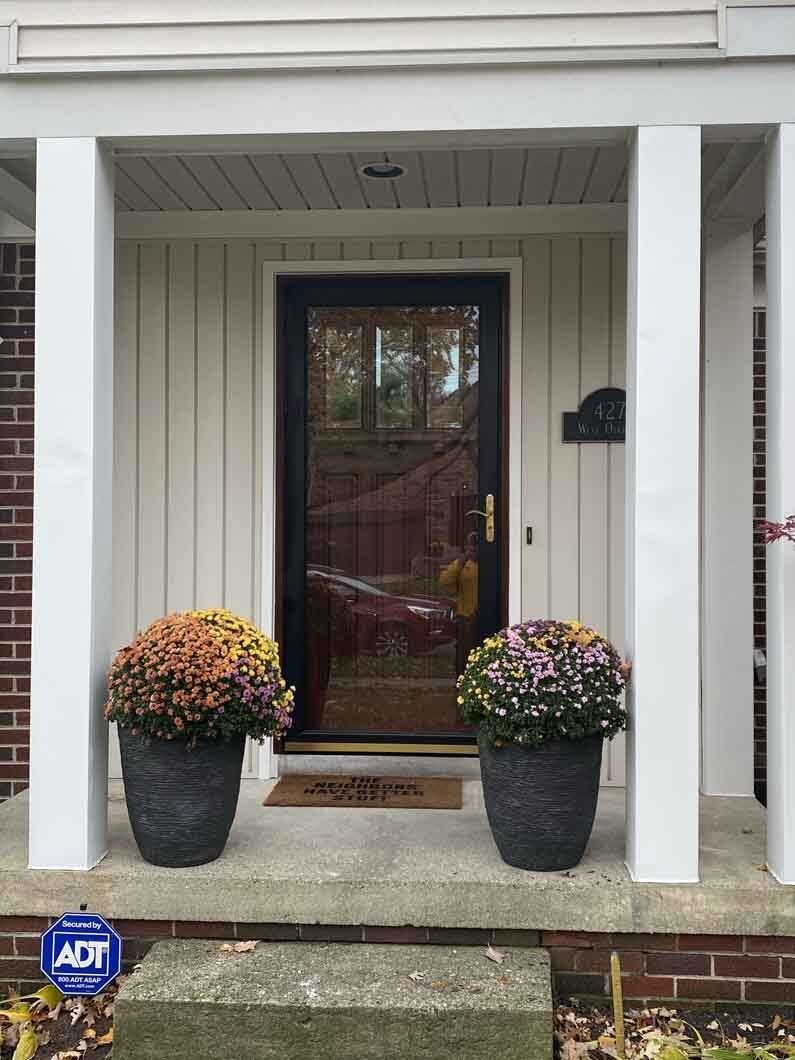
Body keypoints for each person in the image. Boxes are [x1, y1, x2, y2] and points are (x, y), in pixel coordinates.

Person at [439, 532, 478, 675]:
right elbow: (444, 582)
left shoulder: (493, 564)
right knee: (463, 657)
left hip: (484, 617)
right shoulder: (462, 564)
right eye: (470, 546)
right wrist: (462, 561)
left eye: (475, 546)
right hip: (465, 619)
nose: (473, 549)